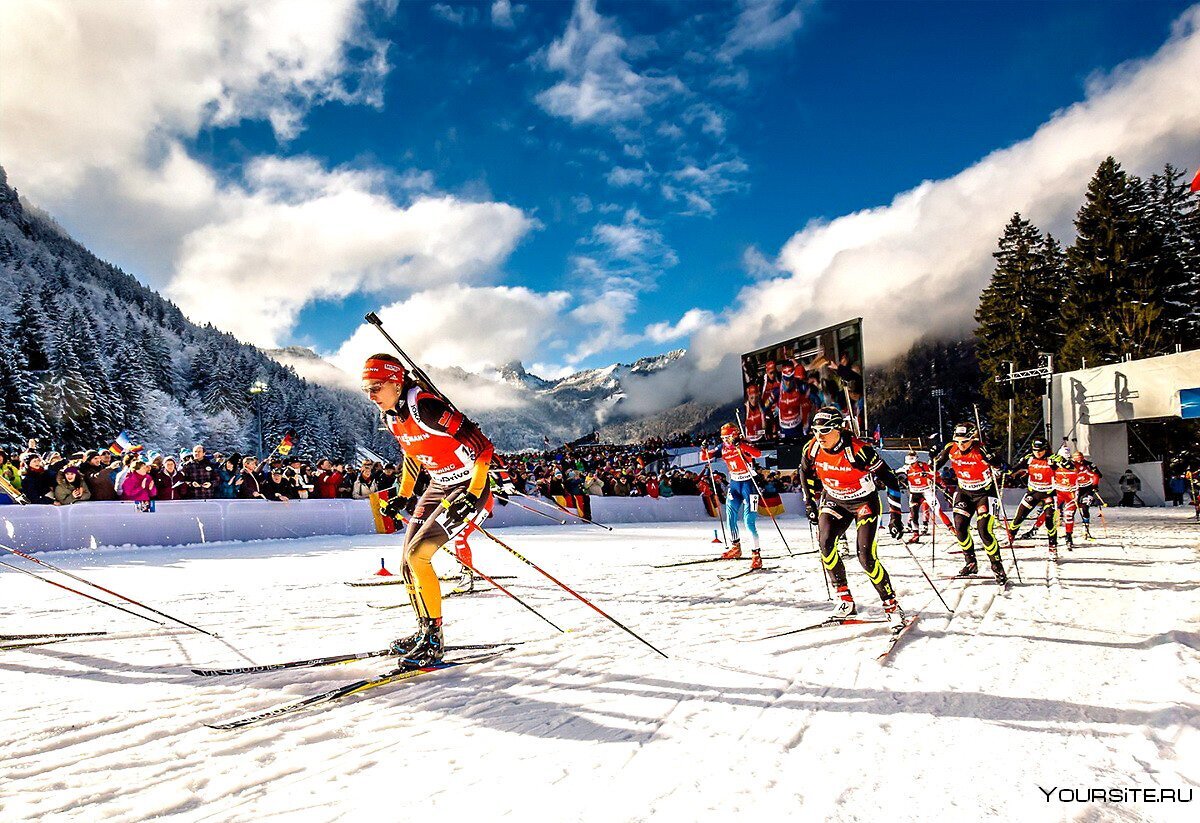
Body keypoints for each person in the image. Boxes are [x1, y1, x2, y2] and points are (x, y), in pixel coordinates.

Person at [363, 352, 495, 668]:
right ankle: (423, 631)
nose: (371, 395)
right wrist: (403, 494)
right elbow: (413, 456)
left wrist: (473, 492)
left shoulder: (425, 406)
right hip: (438, 485)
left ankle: (434, 641)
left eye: (377, 386)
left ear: (396, 382)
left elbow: (483, 448)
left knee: (419, 555)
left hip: (468, 486)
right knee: (407, 562)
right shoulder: (390, 416)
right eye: (367, 388)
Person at [798, 406, 908, 627]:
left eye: (825, 430)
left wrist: (895, 516)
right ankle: (845, 600)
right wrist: (809, 502)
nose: (819, 435)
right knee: (826, 544)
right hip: (834, 500)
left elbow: (891, 480)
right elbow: (804, 471)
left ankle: (892, 606)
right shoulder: (811, 449)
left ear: (839, 429)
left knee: (865, 556)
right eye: (816, 430)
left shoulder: (858, 450)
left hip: (863, 503)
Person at [932, 422, 1008, 583]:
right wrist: (933, 459)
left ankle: (997, 566)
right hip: (964, 492)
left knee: (984, 531)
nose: (961, 445)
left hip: (985, 493)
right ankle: (970, 562)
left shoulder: (981, 450)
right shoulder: (951, 448)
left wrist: (994, 460)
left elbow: (1002, 469)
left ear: (972, 439)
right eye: (958, 441)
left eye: (965, 441)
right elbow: (936, 464)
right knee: (959, 528)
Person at [716, 423, 765, 569]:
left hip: (749, 485)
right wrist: (703, 448)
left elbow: (758, 454)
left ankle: (756, 555)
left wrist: (741, 445)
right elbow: (704, 456)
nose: (725, 440)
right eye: (723, 437)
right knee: (730, 516)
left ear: (735, 435)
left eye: (728, 437)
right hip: (734, 484)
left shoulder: (743, 444)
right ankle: (735, 547)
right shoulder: (723, 447)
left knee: (749, 521)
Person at [1007, 438, 1059, 558]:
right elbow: (1014, 469)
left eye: (1041, 450)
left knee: (1049, 521)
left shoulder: (1051, 459)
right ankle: (1011, 537)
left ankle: (1053, 547)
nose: (1038, 453)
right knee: (1018, 517)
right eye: (1035, 450)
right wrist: (1006, 471)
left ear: (1046, 449)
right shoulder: (1029, 459)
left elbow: (1068, 469)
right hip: (1033, 493)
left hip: (1049, 494)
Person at [902, 449, 951, 540]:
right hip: (914, 493)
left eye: (912, 463)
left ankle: (951, 528)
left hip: (927, 491)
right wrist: (900, 478)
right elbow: (897, 474)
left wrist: (928, 475)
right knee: (913, 513)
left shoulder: (923, 466)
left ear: (916, 460)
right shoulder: (906, 468)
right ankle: (915, 534)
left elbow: (936, 475)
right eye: (909, 464)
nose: (911, 466)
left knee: (937, 511)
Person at [1073, 452, 1103, 540]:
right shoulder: (1071, 465)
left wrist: (1095, 485)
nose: (1078, 459)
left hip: (1088, 488)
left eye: (1080, 457)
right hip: (1076, 488)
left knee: (1085, 507)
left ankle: (1085, 528)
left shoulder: (1089, 465)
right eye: (1076, 458)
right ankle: (1069, 530)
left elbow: (1098, 475)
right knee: (1072, 508)